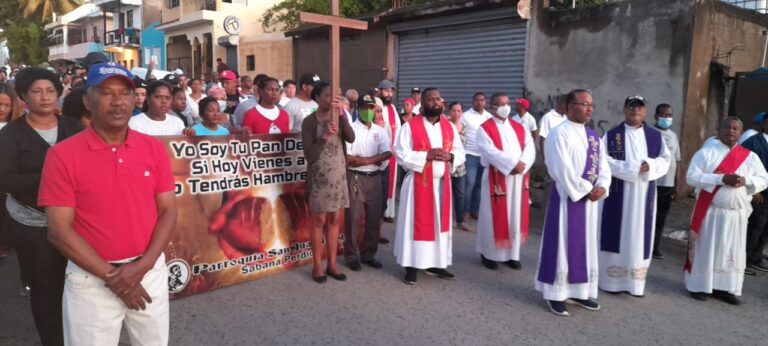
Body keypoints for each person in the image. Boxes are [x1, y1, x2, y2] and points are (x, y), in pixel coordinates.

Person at [39, 62, 177, 345]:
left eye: (125, 93)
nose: (117, 102)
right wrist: (115, 278)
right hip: (90, 280)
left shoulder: (153, 148)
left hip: (148, 273)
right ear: (88, 101)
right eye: (105, 93)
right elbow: (59, 231)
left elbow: (168, 211)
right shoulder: (62, 155)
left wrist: (143, 267)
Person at [0, 67, 83, 346]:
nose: (44, 97)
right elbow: (6, 179)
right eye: (36, 91)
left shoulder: (73, 127)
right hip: (33, 225)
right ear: (24, 96)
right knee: (45, 288)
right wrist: (56, 176)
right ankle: (54, 340)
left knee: (81, 284)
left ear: (58, 94)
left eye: (50, 90)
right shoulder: (12, 134)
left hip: (77, 221)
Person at [535, 89, 611, 317]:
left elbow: (604, 167)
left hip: (590, 201)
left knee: (584, 245)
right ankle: (554, 293)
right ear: (568, 107)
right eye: (583, 104)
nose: (589, 108)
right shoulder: (559, 134)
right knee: (562, 243)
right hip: (567, 198)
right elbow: (559, 168)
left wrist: (602, 187)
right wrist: (587, 190)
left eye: (591, 104)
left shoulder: (594, 137)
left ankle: (579, 290)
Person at [685, 117, 768, 305]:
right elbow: (692, 177)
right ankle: (699, 286)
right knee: (706, 250)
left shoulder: (750, 156)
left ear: (741, 132)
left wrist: (746, 181)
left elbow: (764, 178)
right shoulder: (706, 153)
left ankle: (725, 288)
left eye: (735, 128)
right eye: (727, 127)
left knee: (731, 252)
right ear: (719, 129)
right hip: (711, 211)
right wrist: (721, 179)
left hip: (736, 214)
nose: (731, 131)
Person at [598, 96, 670, 297]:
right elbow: (604, 161)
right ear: (624, 110)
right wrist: (631, 168)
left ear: (645, 112)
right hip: (618, 194)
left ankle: (635, 283)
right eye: (631, 107)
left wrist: (650, 165)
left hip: (644, 193)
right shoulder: (612, 135)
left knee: (639, 235)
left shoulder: (655, 136)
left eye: (639, 108)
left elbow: (665, 160)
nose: (635, 111)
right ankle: (612, 281)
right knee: (617, 233)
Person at [394, 87, 466, 285]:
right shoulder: (410, 126)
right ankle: (411, 265)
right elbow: (401, 154)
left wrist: (450, 156)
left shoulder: (449, 127)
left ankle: (435, 263)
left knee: (438, 227)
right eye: (431, 99)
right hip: (418, 184)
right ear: (423, 104)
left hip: (441, 185)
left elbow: (460, 152)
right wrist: (427, 155)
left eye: (438, 99)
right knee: (414, 225)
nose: (436, 102)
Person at [301, 81, 355, 283]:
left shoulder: (340, 118)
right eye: (328, 96)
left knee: (334, 221)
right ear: (317, 97)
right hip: (319, 178)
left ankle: (332, 265)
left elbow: (351, 138)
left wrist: (343, 117)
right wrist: (323, 136)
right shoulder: (309, 121)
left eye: (338, 96)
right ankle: (317, 266)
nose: (334, 99)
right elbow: (309, 154)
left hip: (339, 177)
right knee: (318, 222)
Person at [476, 93, 535, 270]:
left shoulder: (519, 127)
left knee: (515, 216)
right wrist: (511, 164)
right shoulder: (484, 128)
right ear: (493, 108)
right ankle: (488, 254)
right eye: (501, 104)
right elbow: (489, 151)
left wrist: (523, 164)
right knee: (491, 217)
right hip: (497, 178)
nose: (506, 107)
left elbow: (530, 146)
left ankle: (512, 254)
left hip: (518, 179)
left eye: (507, 103)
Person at [344, 94, 392, 271]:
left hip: (375, 177)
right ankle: (352, 255)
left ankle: (369, 254)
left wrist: (365, 160)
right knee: (353, 218)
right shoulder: (351, 129)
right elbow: (347, 157)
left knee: (374, 217)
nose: (368, 111)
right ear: (358, 109)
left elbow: (387, 153)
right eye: (364, 108)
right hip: (355, 177)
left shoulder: (379, 131)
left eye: (371, 108)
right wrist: (373, 159)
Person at [652, 103, 682, 259]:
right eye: (663, 115)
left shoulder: (673, 135)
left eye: (669, 115)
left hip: (667, 185)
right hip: (651, 184)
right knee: (647, 216)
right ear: (656, 116)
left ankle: (654, 247)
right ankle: (642, 245)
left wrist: (677, 185)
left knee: (661, 218)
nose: (666, 118)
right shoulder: (649, 133)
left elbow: (676, 161)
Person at [742, 114, 768, 272]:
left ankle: (756, 257)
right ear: (764, 123)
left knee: (766, 228)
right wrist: (754, 189)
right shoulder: (753, 142)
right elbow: (742, 165)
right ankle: (743, 259)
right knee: (755, 226)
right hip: (759, 193)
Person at [461, 92, 492, 221]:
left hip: (484, 156)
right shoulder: (466, 116)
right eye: (477, 100)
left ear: (485, 102)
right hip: (470, 155)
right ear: (473, 102)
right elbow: (461, 133)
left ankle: (475, 210)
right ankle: (465, 210)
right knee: (470, 183)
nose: (479, 102)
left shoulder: (489, 117)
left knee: (480, 185)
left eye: (482, 100)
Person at [378, 80, 400, 221]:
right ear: (379, 91)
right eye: (386, 91)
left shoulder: (392, 107)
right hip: (378, 151)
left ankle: (388, 212)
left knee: (390, 183)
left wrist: (395, 145)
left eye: (391, 91)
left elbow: (397, 127)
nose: (389, 94)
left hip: (391, 151)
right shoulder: (375, 105)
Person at [447, 102, 471, 232]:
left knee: (460, 194)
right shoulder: (445, 126)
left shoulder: (465, 127)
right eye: (453, 111)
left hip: (460, 166)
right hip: (447, 165)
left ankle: (460, 221)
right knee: (444, 194)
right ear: (449, 112)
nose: (456, 113)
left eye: (458, 111)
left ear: (462, 112)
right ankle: (443, 218)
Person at [538, 94, 567, 160]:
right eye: (569, 106)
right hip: (553, 158)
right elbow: (542, 141)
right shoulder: (548, 117)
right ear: (563, 106)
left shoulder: (567, 118)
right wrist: (545, 159)